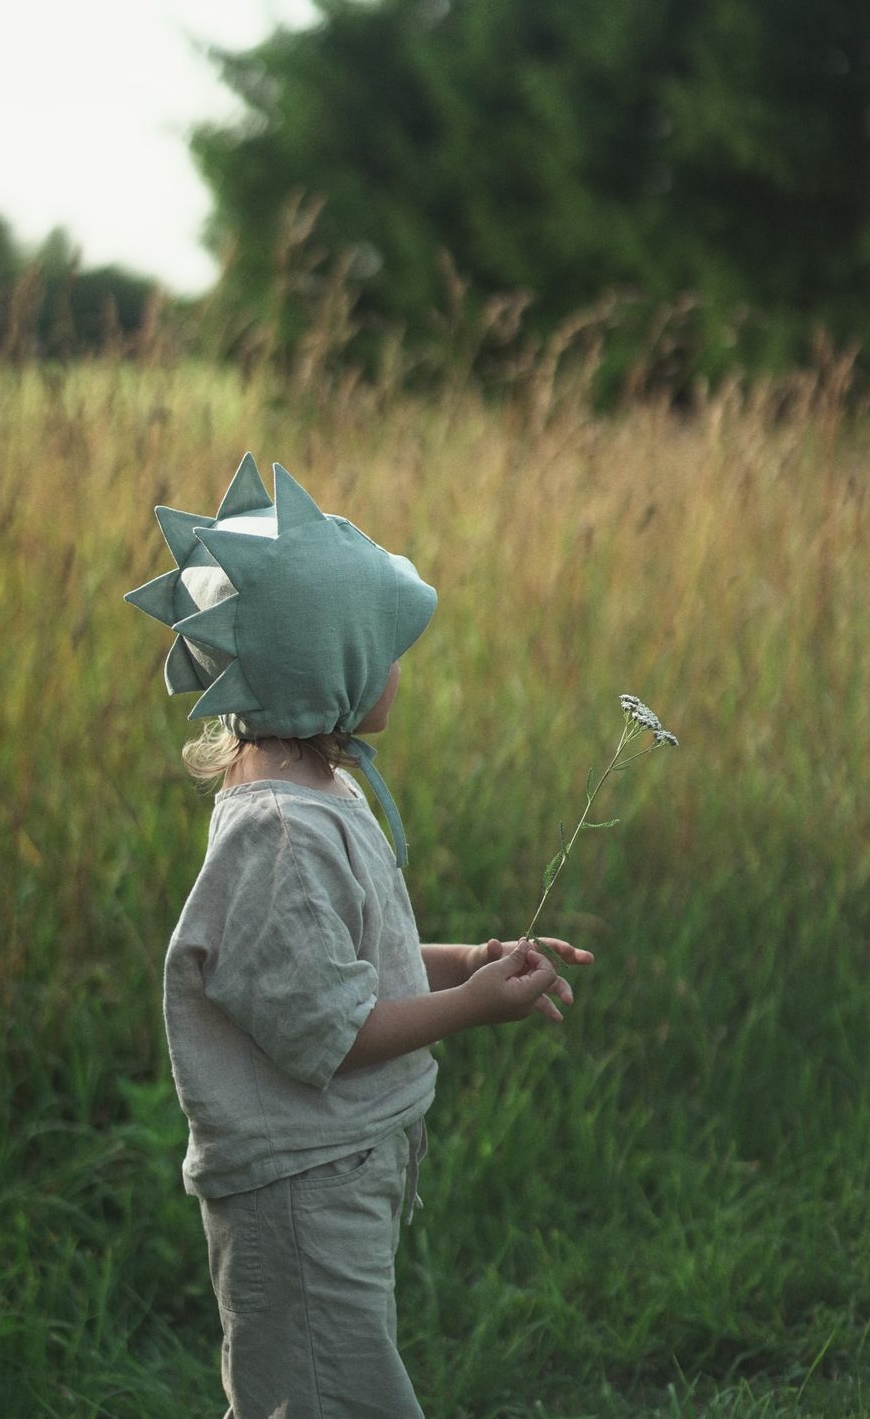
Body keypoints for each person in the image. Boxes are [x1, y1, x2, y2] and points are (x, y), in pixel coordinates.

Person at [125, 454, 594, 1419]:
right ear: (326, 666)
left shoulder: (315, 792)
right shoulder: (281, 836)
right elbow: (330, 1032)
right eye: (385, 647)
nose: (398, 667)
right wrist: (468, 1009)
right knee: (331, 1399)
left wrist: (464, 964)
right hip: (300, 1190)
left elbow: (335, 975)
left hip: (336, 1172)